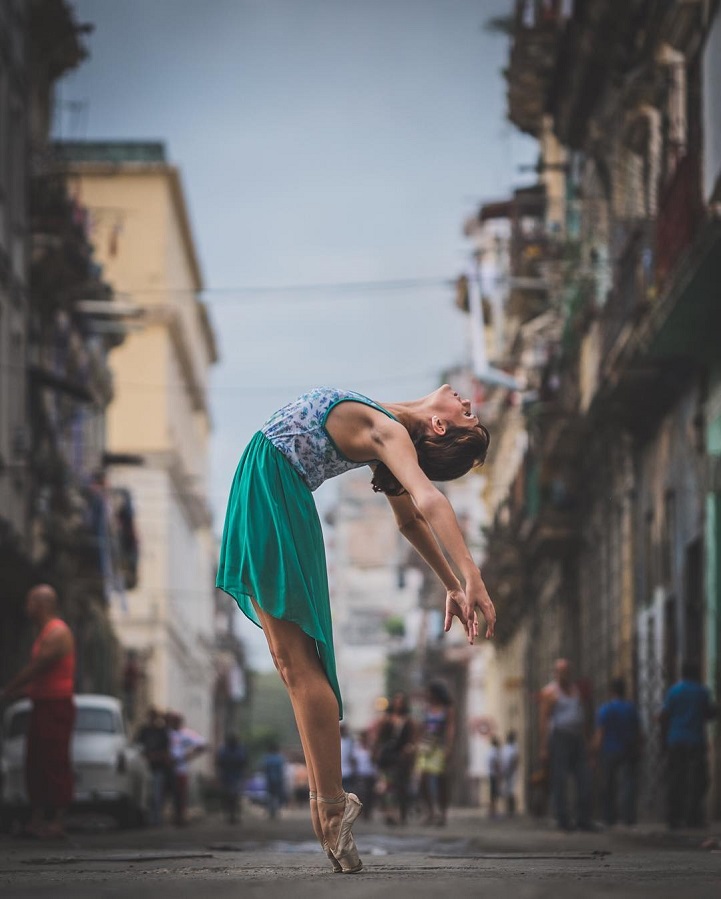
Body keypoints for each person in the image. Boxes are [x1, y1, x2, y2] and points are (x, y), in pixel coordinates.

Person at [216, 384, 495, 873]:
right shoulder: (389, 430)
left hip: (277, 491)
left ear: (440, 425)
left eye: (467, 416)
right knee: (288, 665)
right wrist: (450, 584)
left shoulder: (387, 431)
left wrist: (469, 576)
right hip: (265, 483)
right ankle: (328, 806)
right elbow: (409, 523)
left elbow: (427, 504)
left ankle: (329, 806)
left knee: (297, 663)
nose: (468, 404)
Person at [0, 585, 76, 839]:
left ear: (41, 604)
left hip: (56, 705)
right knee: (36, 762)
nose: (26, 607)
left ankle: (56, 820)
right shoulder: (44, 632)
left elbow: (38, 667)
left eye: (30, 602)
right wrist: (24, 692)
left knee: (54, 761)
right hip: (42, 702)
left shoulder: (57, 633)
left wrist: (9, 689)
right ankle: (37, 819)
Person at [661, 660, 718, 829]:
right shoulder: (702, 691)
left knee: (676, 779)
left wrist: (664, 739)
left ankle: (673, 818)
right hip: (695, 741)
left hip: (675, 740)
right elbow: (709, 713)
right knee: (699, 779)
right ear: (697, 673)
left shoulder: (674, 691)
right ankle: (693, 817)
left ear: (682, 673)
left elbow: (665, 714)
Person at [539, 658, 593, 831]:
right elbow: (544, 720)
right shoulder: (550, 692)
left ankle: (583, 819)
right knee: (560, 779)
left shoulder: (576, 690)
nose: (563, 674)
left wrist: (587, 740)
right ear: (555, 673)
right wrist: (544, 747)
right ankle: (563, 819)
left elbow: (582, 716)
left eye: (566, 671)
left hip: (577, 738)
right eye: (560, 671)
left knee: (584, 778)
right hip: (560, 737)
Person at [593, 677, 641, 828]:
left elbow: (600, 733)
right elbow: (639, 731)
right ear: (624, 690)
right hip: (628, 750)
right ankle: (628, 817)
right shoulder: (631, 708)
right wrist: (641, 747)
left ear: (611, 691)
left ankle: (609, 817)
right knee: (628, 783)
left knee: (608, 785)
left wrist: (594, 753)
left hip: (609, 750)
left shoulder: (605, 709)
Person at [417, 679, 456, 826]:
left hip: (439, 747)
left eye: (429, 693)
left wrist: (449, 747)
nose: (427, 695)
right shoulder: (427, 709)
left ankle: (442, 812)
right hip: (426, 747)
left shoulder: (447, 709)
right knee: (422, 779)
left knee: (441, 780)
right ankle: (430, 811)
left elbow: (451, 729)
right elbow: (422, 727)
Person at [168, 713, 207, 826]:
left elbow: (202, 745)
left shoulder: (186, 734)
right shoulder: (167, 733)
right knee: (171, 794)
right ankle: (174, 816)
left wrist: (188, 756)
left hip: (181, 769)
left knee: (180, 794)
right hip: (167, 769)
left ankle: (181, 816)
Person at [135, 707, 172, 826]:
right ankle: (149, 819)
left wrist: (156, 756)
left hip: (158, 768)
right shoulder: (144, 731)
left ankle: (157, 818)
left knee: (156, 795)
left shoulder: (162, 732)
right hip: (145, 768)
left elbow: (166, 751)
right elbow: (137, 747)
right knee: (146, 795)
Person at [216, 733, 248, 824]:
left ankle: (233, 815)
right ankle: (231, 815)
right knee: (230, 797)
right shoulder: (226, 750)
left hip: (234, 777)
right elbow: (219, 763)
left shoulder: (237, 750)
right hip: (228, 777)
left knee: (234, 796)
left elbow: (244, 762)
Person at [263, 740, 287, 820]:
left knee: (270, 796)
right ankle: (277, 811)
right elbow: (282, 770)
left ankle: (271, 812)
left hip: (270, 780)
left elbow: (264, 769)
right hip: (278, 780)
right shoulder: (280, 758)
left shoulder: (267, 758)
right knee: (277, 796)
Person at [500, 731, 520, 817]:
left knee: (511, 790)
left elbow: (515, 759)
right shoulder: (506, 747)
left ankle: (512, 810)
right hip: (506, 771)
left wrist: (512, 769)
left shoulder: (515, 746)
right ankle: (507, 809)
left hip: (511, 771)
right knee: (507, 791)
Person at [487, 736, 502, 818]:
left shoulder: (490, 751)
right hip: (494, 774)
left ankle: (492, 811)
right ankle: (493, 811)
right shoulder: (494, 751)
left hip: (491, 773)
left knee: (492, 794)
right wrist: (499, 774)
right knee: (494, 794)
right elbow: (496, 763)